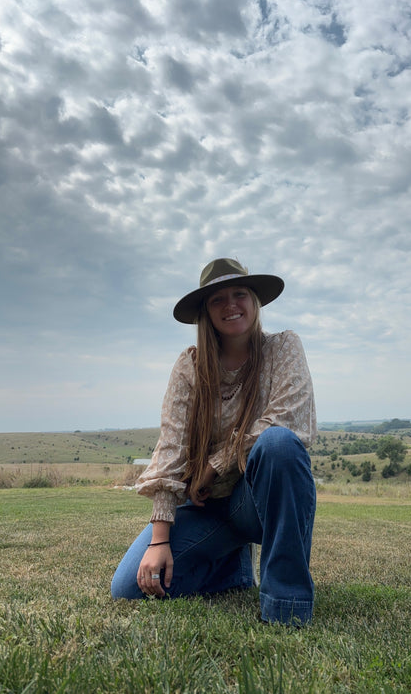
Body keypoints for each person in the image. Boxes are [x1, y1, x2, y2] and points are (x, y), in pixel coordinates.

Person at [111, 258, 317, 626]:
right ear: (205, 311)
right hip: (207, 506)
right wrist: (160, 540)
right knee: (128, 587)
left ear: (255, 301)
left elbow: (288, 419)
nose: (231, 305)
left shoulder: (284, 348)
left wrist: (214, 465)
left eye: (240, 294)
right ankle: (231, 569)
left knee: (280, 444)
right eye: (217, 299)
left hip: (258, 500)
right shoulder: (189, 366)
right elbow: (171, 447)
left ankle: (286, 607)